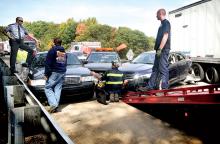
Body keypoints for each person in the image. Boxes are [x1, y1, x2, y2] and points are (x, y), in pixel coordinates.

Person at [140, 8, 171, 91]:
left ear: (160, 14)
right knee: (155, 69)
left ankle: (164, 87)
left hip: (163, 50)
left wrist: (160, 49)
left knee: (163, 68)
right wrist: (158, 50)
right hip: (159, 50)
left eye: (157, 14)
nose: (156, 16)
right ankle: (150, 86)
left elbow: (165, 36)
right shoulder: (161, 25)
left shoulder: (166, 23)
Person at [44, 38, 67, 113]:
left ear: (54, 43)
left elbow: (47, 63)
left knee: (48, 88)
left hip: (54, 72)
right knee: (58, 88)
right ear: (60, 43)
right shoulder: (63, 51)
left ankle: (53, 105)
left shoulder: (52, 50)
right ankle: (55, 106)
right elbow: (62, 62)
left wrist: (46, 74)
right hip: (62, 72)